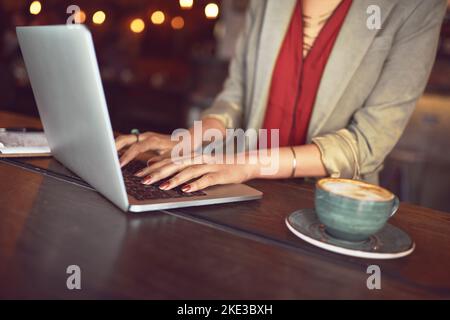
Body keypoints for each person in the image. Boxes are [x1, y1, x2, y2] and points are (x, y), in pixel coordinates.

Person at [116, 0, 448, 193]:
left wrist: (244, 163)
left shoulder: (416, 7)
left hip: (331, 207)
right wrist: (188, 142)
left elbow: (367, 144)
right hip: (246, 189)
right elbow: (236, 97)